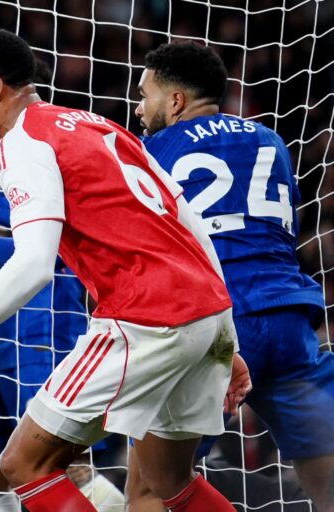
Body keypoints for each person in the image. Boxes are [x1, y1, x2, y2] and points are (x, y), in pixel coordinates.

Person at [0, 29, 252, 512]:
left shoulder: (22, 142)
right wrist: (224, 336)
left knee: (24, 462)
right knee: (169, 479)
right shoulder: (95, 123)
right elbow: (188, 222)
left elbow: (33, 263)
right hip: (205, 311)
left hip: (148, 318)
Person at [127, 41, 334, 512]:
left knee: (150, 488)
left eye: (145, 95)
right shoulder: (272, 142)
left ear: (175, 101)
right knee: (328, 480)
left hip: (212, 324)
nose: (139, 108)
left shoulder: (153, 149)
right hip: (286, 319)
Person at [0, 185, 124, 512]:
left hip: (47, 338)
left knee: (62, 468)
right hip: (2, 346)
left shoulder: (50, 165)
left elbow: (53, 251)